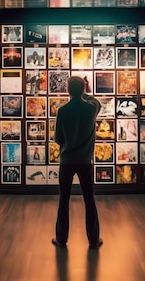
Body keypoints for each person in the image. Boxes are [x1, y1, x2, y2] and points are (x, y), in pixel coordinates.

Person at [53, 76, 103, 249]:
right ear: (83, 89)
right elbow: (96, 101)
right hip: (84, 161)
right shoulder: (90, 109)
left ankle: (61, 239)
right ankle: (94, 240)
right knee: (89, 200)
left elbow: (58, 139)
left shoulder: (63, 111)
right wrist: (86, 91)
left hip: (67, 161)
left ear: (67, 89)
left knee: (64, 200)